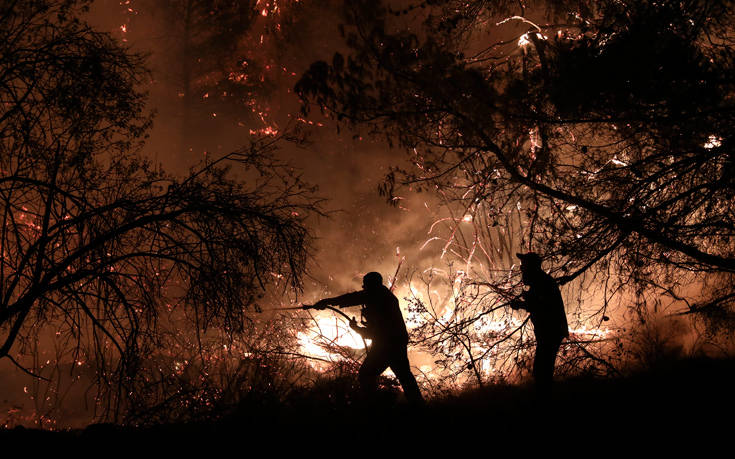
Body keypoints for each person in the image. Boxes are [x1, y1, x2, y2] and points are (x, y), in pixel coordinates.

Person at [313, 272, 424, 404]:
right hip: (395, 343)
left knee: (366, 375)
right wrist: (357, 328)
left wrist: (327, 302)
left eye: (365, 284)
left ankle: (375, 407)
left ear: (372, 284)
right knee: (405, 377)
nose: (363, 287)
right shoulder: (383, 296)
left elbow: (377, 330)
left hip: (386, 345)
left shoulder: (378, 296)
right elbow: (374, 327)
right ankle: (419, 408)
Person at [511, 252, 568, 397]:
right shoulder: (540, 282)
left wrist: (522, 304)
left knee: (542, 370)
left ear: (531, 267)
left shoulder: (542, 283)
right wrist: (527, 300)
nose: (521, 268)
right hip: (550, 331)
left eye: (524, 265)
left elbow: (542, 307)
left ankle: (544, 401)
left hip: (551, 332)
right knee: (542, 369)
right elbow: (539, 303)